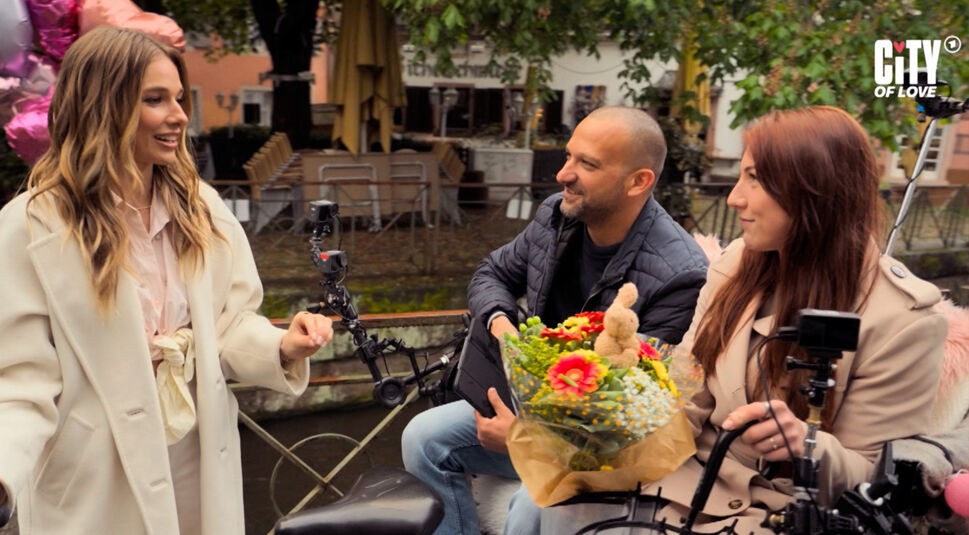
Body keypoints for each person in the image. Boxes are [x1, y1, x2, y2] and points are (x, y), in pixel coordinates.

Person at [507, 105, 949, 533]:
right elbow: (685, 387)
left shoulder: (904, 319)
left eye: (755, 180)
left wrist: (806, 444)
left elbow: (879, 480)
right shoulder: (738, 263)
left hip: (773, 509)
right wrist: (585, 431)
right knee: (542, 497)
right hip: (683, 474)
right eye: (741, 175)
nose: (735, 197)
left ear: (816, 193)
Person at [0, 27, 333, 534]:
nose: (179, 115)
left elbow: (228, 324)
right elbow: (22, 380)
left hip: (198, 462)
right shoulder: (30, 227)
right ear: (101, 107)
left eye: (178, 98)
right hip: (97, 480)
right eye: (155, 100)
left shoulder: (202, 208)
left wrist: (282, 345)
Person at [401, 106, 710, 535]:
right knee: (421, 437)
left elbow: (639, 418)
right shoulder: (556, 216)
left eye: (587, 164)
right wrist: (500, 323)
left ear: (638, 181)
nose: (564, 173)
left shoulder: (680, 273)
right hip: (533, 408)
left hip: (603, 452)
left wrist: (525, 438)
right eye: (569, 156)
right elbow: (491, 273)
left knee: (534, 504)